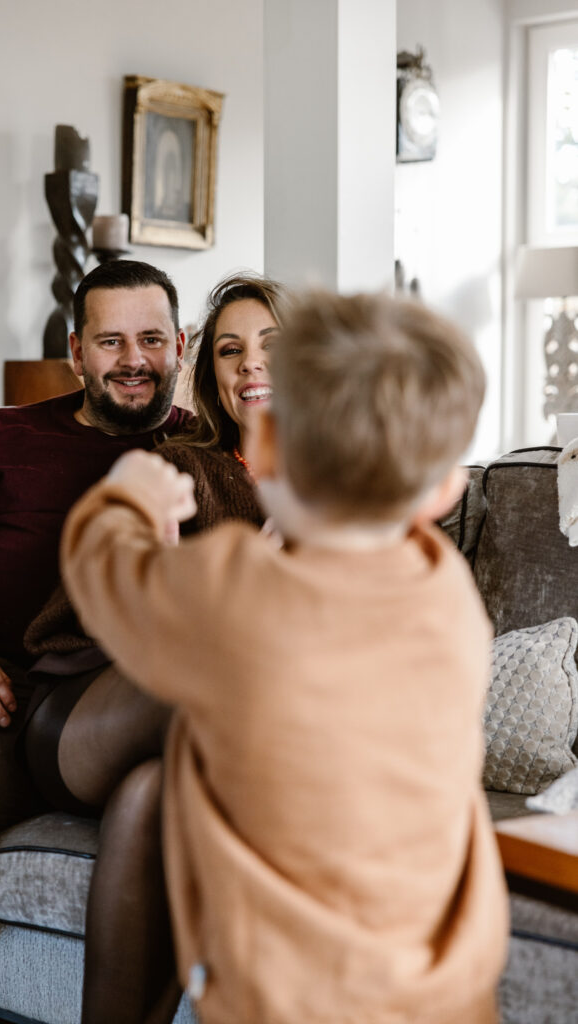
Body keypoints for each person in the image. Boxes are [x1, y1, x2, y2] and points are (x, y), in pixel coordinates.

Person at [61, 290, 509, 1024]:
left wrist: (125, 503)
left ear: (262, 448)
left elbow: (105, 574)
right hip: (445, 993)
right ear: (445, 489)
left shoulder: (242, 591)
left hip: (288, 996)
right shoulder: (445, 594)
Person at [21, 272, 288, 1024]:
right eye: (230, 351)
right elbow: (95, 591)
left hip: (186, 749)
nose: (249, 366)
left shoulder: (348, 495)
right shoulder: (183, 467)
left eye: (271, 346)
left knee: (151, 800)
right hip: (85, 713)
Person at [0, 258, 191, 934]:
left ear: (180, 345)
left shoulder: (195, 459)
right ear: (76, 354)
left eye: (150, 338)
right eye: (109, 341)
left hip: (24, 707)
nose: (132, 359)